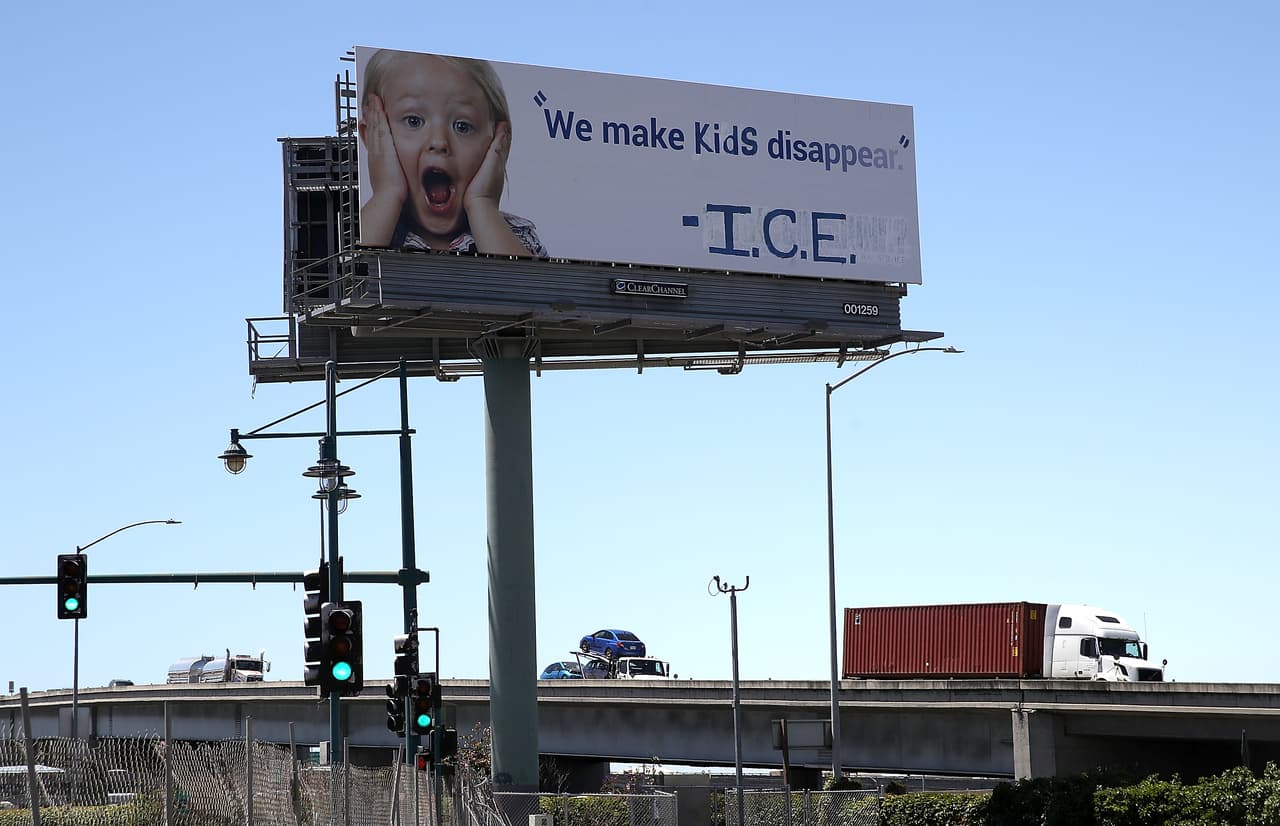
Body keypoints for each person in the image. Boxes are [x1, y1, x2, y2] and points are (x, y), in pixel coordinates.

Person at [359, 49, 546, 256]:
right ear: (373, 136)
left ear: (498, 144)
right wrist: (387, 194)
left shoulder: (514, 234)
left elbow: (528, 287)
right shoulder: (366, 228)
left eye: (462, 126)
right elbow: (343, 279)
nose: (439, 142)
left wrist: (482, 203)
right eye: (414, 121)